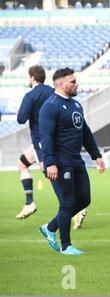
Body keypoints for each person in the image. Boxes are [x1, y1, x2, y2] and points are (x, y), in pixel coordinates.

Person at [38, 68, 106, 255]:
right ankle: (66, 246)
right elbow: (46, 137)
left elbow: (85, 132)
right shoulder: (50, 106)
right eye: (73, 81)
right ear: (61, 84)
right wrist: (50, 162)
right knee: (67, 203)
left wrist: (96, 155)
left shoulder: (76, 105)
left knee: (84, 199)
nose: (77, 84)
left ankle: (50, 227)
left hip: (76, 161)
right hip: (59, 162)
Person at [15, 65, 54, 219]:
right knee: (22, 164)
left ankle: (75, 208)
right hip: (52, 139)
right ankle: (29, 203)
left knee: (52, 176)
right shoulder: (53, 92)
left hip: (41, 142)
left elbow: (21, 119)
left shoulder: (30, 95)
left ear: (32, 77)